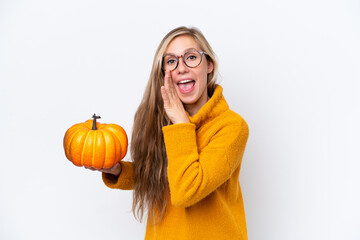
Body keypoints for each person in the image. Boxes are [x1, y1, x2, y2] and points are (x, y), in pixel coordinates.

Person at [92, 26, 249, 240]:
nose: (181, 68)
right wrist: (118, 170)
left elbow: (186, 190)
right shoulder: (162, 118)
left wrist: (181, 124)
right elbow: (160, 175)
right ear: (163, 72)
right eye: (171, 61)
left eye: (191, 57)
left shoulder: (232, 127)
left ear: (209, 65)